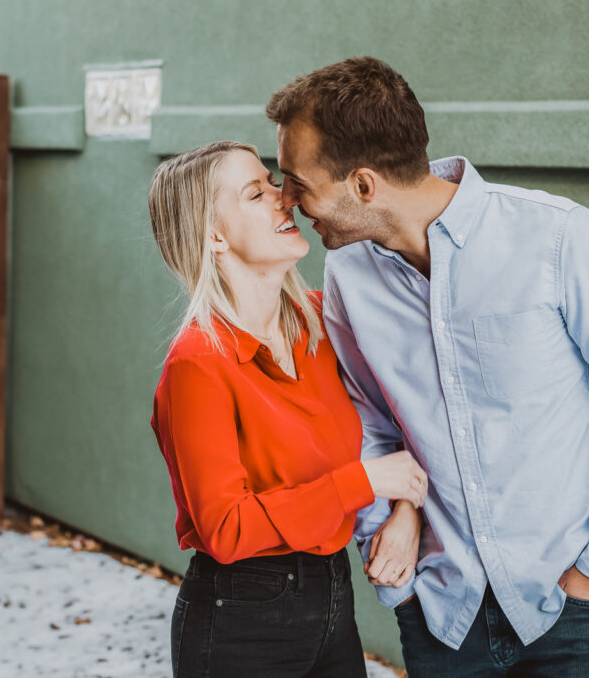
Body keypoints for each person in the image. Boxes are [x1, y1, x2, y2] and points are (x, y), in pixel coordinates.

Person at [266, 57, 589, 678]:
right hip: (442, 613)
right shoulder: (350, 275)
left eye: (297, 182)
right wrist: (396, 566)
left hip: (574, 607)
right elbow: (371, 424)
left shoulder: (561, 238)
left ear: (362, 185)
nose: (287, 201)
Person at [148, 140, 428, 677]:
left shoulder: (322, 324)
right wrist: (364, 483)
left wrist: (407, 511)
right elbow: (227, 528)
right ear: (214, 236)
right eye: (256, 192)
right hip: (240, 620)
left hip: (332, 596)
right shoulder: (199, 363)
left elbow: (398, 426)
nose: (285, 198)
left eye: (273, 183)